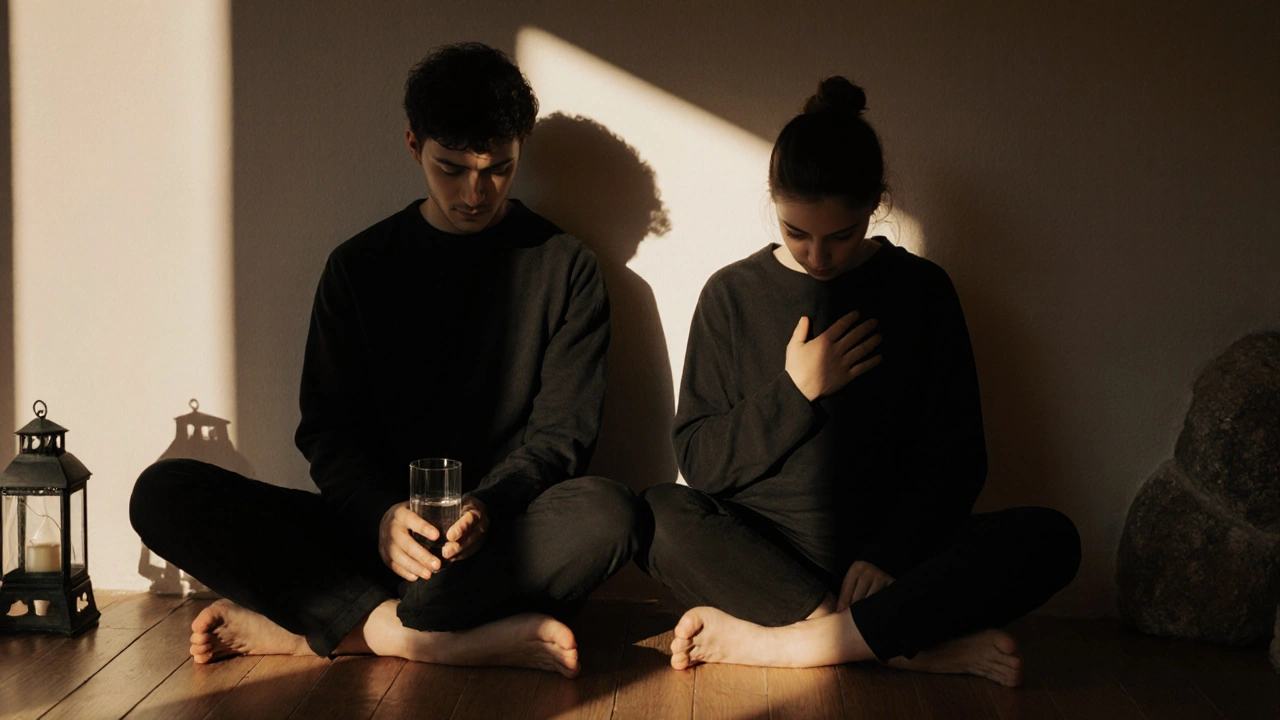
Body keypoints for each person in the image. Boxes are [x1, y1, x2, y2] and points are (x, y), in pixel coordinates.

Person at [130, 42, 642, 678]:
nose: (475, 193)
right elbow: (328, 432)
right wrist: (378, 517)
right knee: (163, 491)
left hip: (494, 544)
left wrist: (486, 508)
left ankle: (335, 627)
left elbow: (562, 438)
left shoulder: (567, 267)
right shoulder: (359, 267)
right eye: (451, 168)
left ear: (521, 148)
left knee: (612, 511)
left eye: (498, 169)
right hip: (366, 538)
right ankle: (421, 636)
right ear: (412, 145)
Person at [637, 77, 1080, 687]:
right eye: (797, 233)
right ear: (774, 203)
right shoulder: (731, 296)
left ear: (875, 206)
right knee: (658, 513)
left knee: (1051, 539)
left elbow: (959, 461)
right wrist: (794, 392)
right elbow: (701, 464)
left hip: (894, 563)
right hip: (768, 559)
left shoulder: (923, 292)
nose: (818, 256)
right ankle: (902, 646)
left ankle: (788, 646)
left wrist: (889, 555)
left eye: (839, 236)